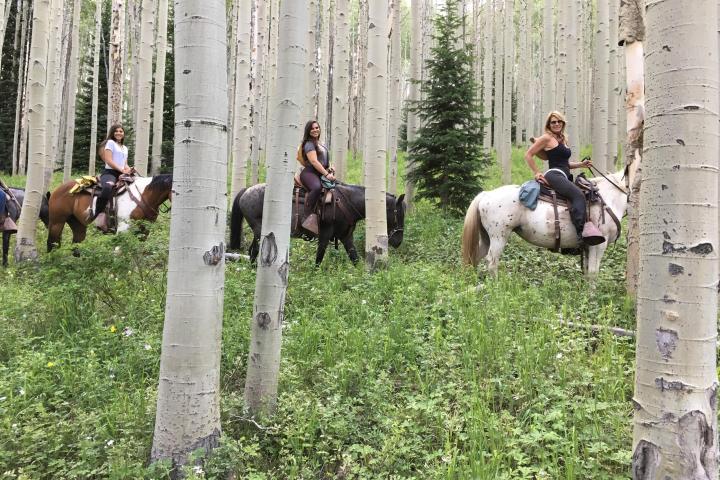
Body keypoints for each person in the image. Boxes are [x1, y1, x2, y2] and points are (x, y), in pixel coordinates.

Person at [524, 111, 604, 246]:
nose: (556, 124)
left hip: (563, 174)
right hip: (554, 174)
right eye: (553, 122)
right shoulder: (547, 138)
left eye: (558, 121)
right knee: (578, 195)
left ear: (562, 123)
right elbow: (528, 155)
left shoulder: (562, 140)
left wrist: (581, 164)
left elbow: (565, 164)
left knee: (582, 193)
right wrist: (537, 173)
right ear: (549, 125)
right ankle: (581, 235)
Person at [298, 120, 335, 235]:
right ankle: (307, 216)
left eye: (317, 128)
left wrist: (330, 168)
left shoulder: (320, 144)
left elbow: (323, 161)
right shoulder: (309, 144)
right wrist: (326, 174)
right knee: (317, 188)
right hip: (309, 173)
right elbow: (314, 161)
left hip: (320, 173)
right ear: (308, 131)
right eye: (312, 128)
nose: (315, 130)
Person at [94, 124, 132, 230]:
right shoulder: (110, 143)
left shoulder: (125, 148)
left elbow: (125, 163)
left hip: (122, 173)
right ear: (112, 133)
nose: (119, 133)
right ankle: (99, 214)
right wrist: (122, 170)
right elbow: (109, 160)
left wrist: (129, 169)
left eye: (121, 131)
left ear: (123, 134)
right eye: (116, 131)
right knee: (107, 187)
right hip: (110, 172)